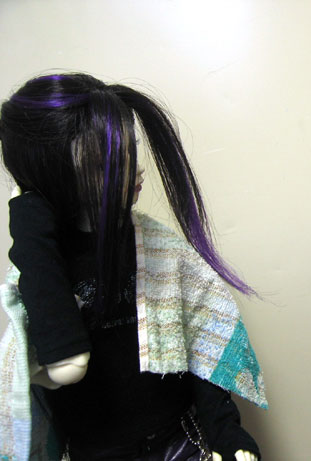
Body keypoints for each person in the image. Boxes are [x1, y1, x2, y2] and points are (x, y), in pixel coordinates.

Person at [0, 73, 266, 460]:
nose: (135, 171)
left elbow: (201, 345)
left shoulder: (161, 251)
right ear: (53, 176)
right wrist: (28, 221)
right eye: (102, 165)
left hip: (180, 441)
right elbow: (61, 366)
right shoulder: (41, 266)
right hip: (96, 450)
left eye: (130, 151)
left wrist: (227, 433)